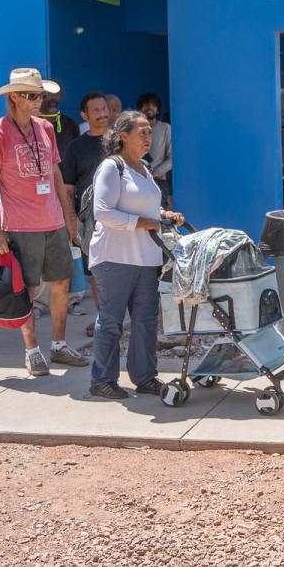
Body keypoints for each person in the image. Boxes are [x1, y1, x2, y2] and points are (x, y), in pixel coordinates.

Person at [0, 68, 90, 376]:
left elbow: (55, 174)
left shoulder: (44, 127)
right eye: (34, 95)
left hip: (53, 222)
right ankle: (32, 350)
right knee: (26, 289)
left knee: (61, 283)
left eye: (41, 94)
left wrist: (69, 218)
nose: (40, 100)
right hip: (19, 225)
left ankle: (58, 345)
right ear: (15, 96)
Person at [87, 110, 185, 399]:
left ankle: (145, 377)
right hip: (114, 258)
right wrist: (146, 223)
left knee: (145, 321)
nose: (147, 137)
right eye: (141, 132)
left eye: (149, 132)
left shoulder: (144, 169)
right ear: (122, 136)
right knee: (111, 321)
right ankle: (102, 380)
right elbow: (103, 212)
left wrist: (164, 215)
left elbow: (145, 208)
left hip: (146, 258)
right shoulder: (111, 167)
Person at [62, 92, 112, 337]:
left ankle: (128, 319)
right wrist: (71, 222)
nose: (103, 114)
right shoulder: (75, 148)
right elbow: (68, 188)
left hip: (125, 218)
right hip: (90, 221)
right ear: (84, 115)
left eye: (105, 109)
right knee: (95, 272)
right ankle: (104, 318)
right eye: (96, 110)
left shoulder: (123, 141)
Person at [136, 93, 173, 207]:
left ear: (158, 110)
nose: (149, 108)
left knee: (158, 216)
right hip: (137, 180)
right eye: (146, 105)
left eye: (153, 105)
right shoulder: (134, 129)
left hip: (159, 182)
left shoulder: (165, 128)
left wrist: (154, 172)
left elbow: (171, 158)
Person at [39, 85, 80, 156]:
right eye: (49, 93)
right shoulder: (31, 123)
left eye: (57, 94)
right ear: (41, 95)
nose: (53, 97)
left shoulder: (70, 124)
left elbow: (77, 153)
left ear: (61, 96)